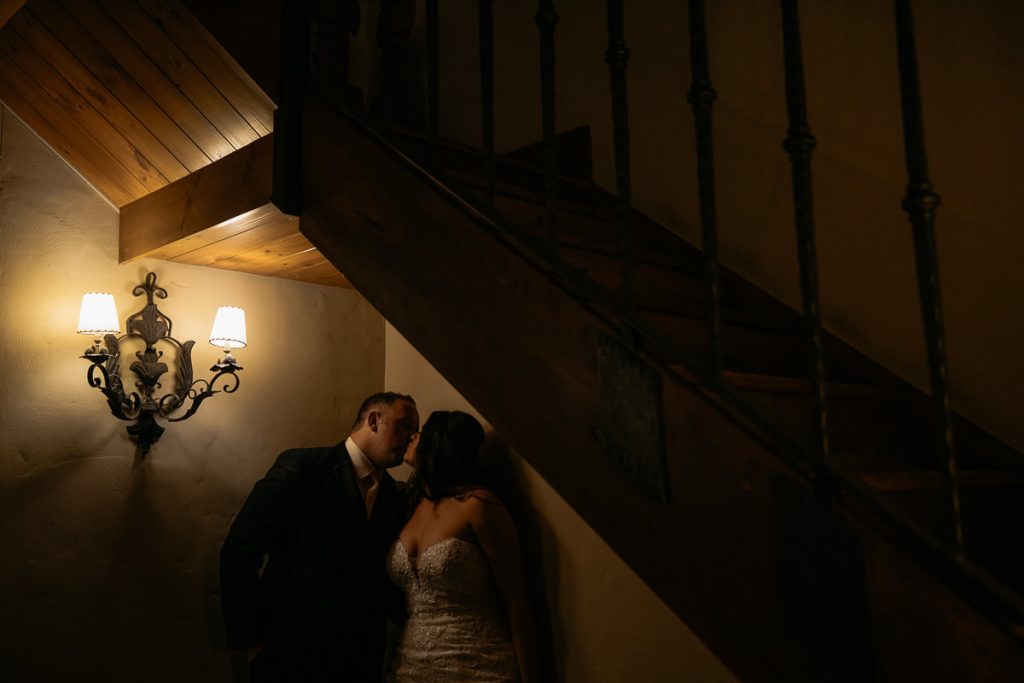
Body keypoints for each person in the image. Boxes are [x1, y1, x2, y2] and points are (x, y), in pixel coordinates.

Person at [220, 391, 420, 682]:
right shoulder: (304, 468)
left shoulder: (395, 495)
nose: (410, 439)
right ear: (374, 420)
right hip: (289, 654)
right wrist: (252, 642)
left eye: (415, 432)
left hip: (359, 660)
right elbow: (240, 550)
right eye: (404, 426)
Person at [386, 410, 541, 683]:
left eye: (420, 434)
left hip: (474, 664)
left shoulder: (478, 505)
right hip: (410, 666)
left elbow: (516, 601)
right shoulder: (411, 504)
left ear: (438, 444)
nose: (411, 437)